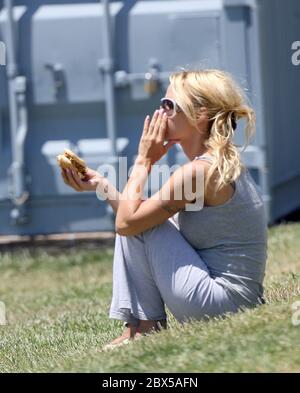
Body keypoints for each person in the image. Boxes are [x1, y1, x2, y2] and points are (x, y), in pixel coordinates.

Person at [61, 69, 268, 350]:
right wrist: (102, 185)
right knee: (140, 216)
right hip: (236, 301)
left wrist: (144, 161)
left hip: (221, 305)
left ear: (200, 116)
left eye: (169, 106)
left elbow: (128, 224)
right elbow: (132, 218)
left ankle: (145, 328)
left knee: (139, 221)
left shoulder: (198, 172)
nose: (160, 112)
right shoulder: (214, 163)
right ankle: (140, 327)